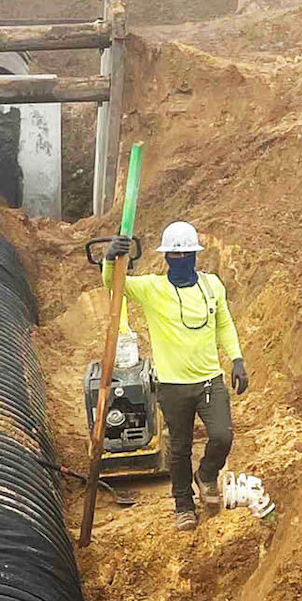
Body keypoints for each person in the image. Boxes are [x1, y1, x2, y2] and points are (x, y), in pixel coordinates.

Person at [106, 221, 248, 532]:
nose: (182, 260)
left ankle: (207, 475)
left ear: (196, 256)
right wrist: (109, 260)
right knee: (180, 448)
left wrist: (236, 359)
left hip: (210, 379)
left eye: (187, 256)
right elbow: (116, 285)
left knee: (222, 436)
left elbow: (224, 324)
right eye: (176, 255)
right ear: (167, 257)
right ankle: (183, 505)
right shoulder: (152, 289)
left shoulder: (212, 286)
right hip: (172, 385)